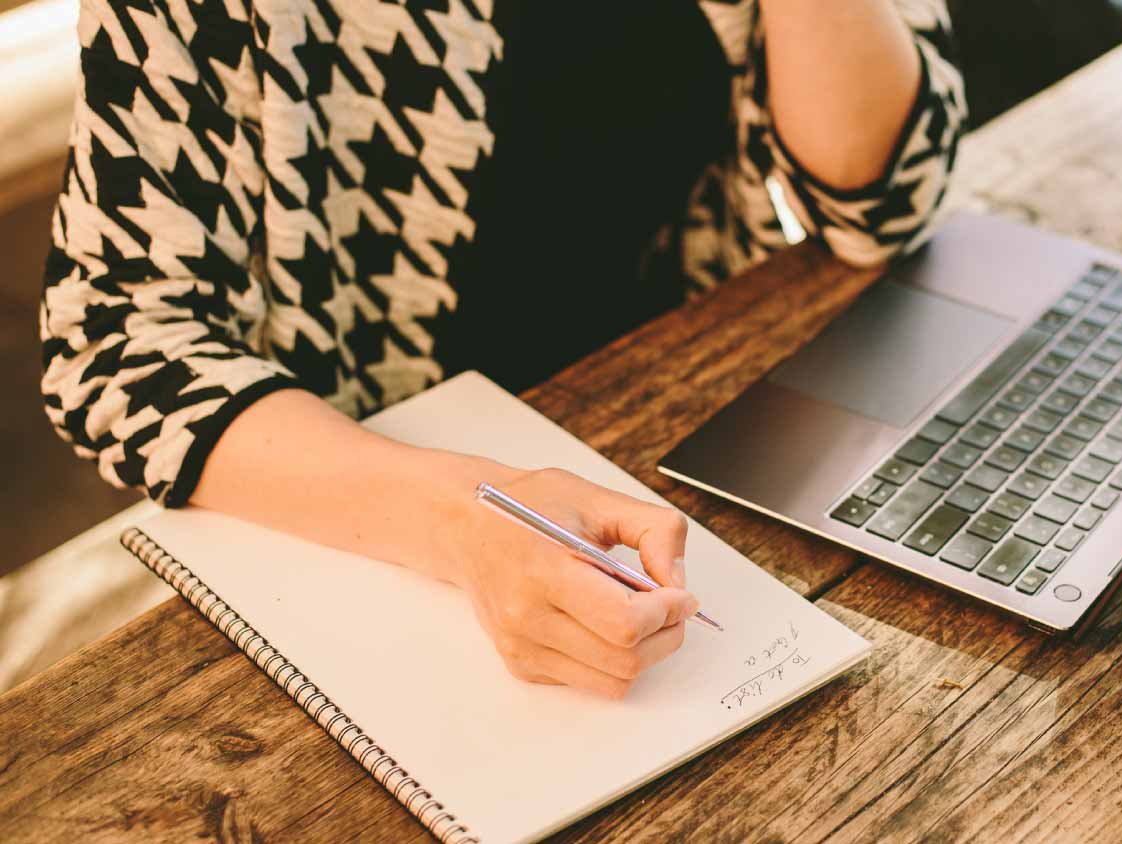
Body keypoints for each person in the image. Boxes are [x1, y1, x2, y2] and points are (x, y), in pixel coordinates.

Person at [39, 1, 966, 698]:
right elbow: (112, 343)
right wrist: (460, 521)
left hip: (672, 439)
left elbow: (886, 203)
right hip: (356, 510)